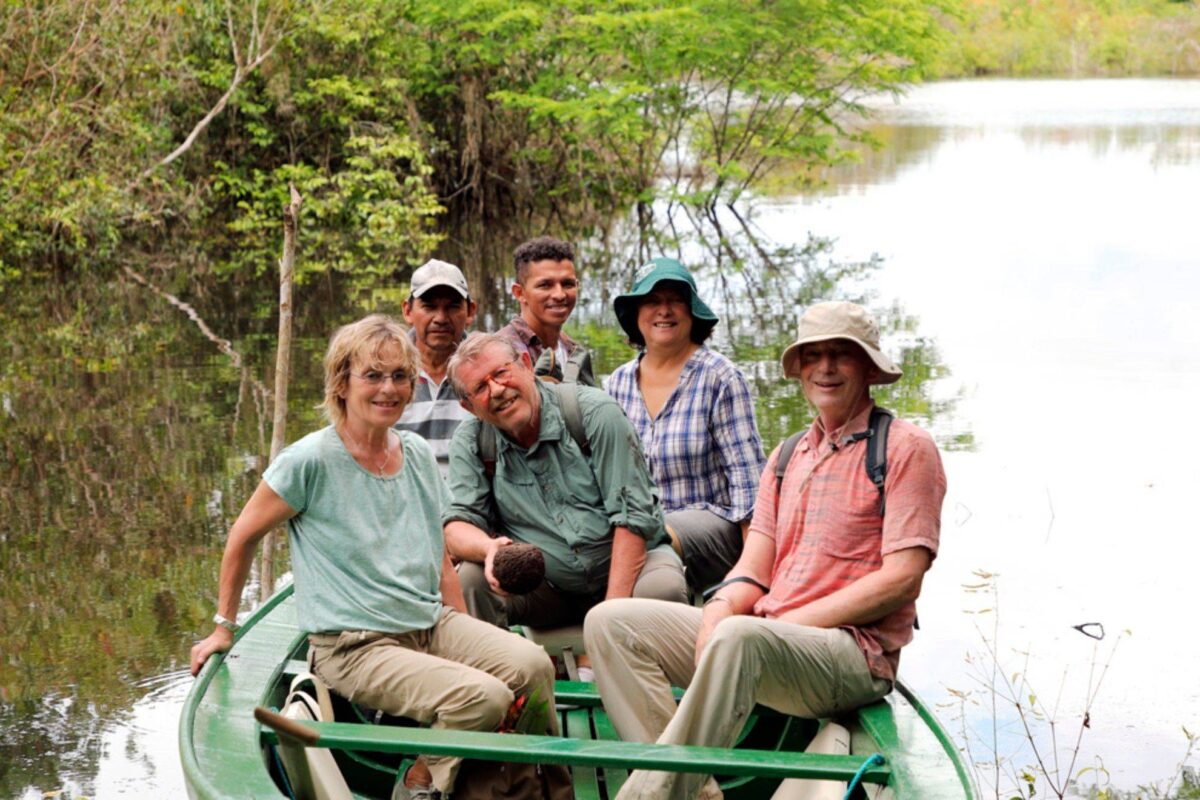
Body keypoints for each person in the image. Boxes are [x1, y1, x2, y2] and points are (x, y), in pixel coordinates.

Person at [189, 315, 563, 800]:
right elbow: (242, 536)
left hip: (427, 624)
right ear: (341, 383)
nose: (389, 389)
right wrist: (224, 626)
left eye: (400, 376)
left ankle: (544, 785)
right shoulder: (310, 461)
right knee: (482, 697)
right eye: (373, 376)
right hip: (355, 646)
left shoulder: (416, 455)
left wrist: (461, 630)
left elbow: (438, 556)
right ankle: (418, 782)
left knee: (532, 665)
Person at [584, 301, 947, 800]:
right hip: (765, 636)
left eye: (841, 354)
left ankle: (648, 795)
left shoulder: (906, 448)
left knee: (739, 638)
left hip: (849, 654)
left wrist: (782, 625)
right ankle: (697, 790)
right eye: (812, 355)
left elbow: (902, 579)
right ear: (798, 368)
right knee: (612, 622)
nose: (825, 368)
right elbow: (753, 566)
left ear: (867, 366)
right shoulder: (786, 455)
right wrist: (717, 608)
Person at [443, 332, 688, 631]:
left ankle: (664, 674)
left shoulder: (594, 412)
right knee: (470, 576)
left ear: (525, 365)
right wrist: (488, 548)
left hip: (632, 569)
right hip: (548, 589)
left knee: (663, 590)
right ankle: (499, 673)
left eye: (501, 373)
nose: (496, 390)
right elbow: (456, 526)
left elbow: (634, 519)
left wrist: (608, 619)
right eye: (480, 387)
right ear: (469, 407)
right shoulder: (472, 441)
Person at [608, 258, 765, 593]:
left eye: (675, 300)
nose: (664, 311)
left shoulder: (720, 377)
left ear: (692, 310)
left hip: (712, 527)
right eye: (652, 301)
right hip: (637, 532)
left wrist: (754, 575)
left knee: (649, 536)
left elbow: (748, 483)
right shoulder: (618, 383)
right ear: (636, 315)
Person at [396, 259, 478, 474]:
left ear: (470, 311)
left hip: (470, 499)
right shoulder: (385, 370)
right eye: (429, 306)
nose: (441, 318)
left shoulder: (487, 369)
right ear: (408, 311)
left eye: (452, 306)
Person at [497, 236, 580, 365]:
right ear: (520, 293)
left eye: (567, 284)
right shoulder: (501, 352)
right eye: (545, 285)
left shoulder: (574, 351)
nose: (560, 295)